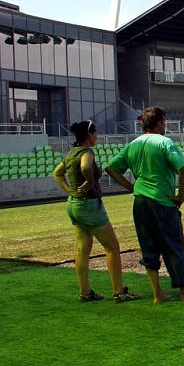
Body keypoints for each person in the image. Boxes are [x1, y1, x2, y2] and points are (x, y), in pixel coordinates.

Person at [105, 106, 184, 304]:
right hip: (162, 201)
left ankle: (157, 294)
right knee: (174, 246)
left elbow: (110, 168)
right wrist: (181, 196)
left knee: (148, 248)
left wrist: (130, 186)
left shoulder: (132, 144)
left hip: (140, 202)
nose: (165, 126)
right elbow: (183, 170)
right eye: (164, 122)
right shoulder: (165, 142)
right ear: (159, 123)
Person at [52, 120, 141, 303]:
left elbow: (57, 173)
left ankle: (85, 292)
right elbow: (85, 167)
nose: (97, 136)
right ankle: (119, 291)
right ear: (89, 135)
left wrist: (69, 190)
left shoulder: (71, 153)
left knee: (82, 249)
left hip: (74, 204)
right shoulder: (86, 152)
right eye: (95, 134)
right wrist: (89, 182)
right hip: (90, 205)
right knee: (112, 247)